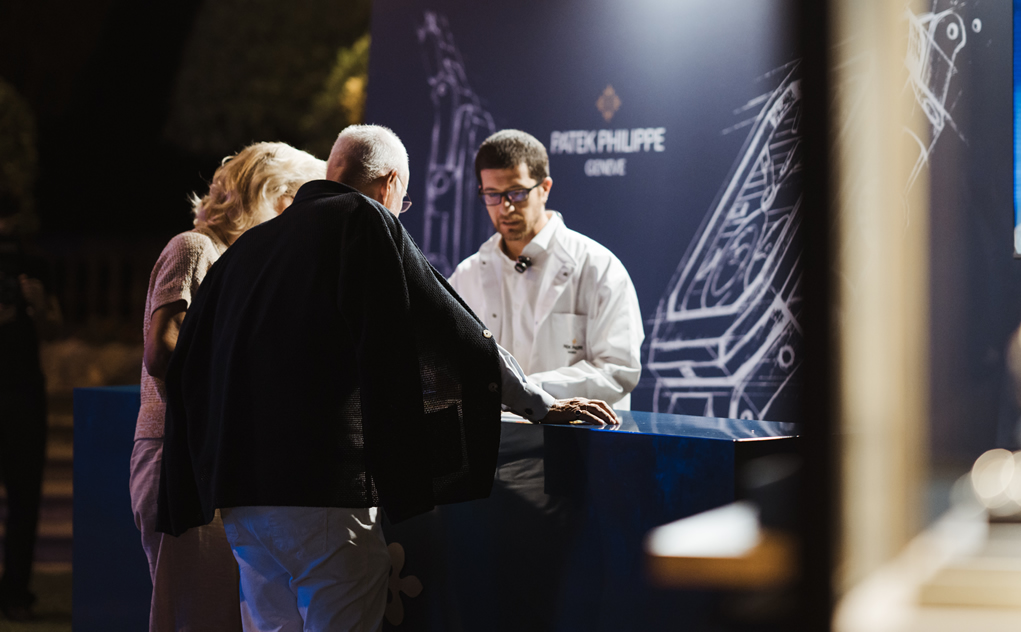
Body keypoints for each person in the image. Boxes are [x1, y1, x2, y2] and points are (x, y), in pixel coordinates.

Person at [157, 124, 616, 632]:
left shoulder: (248, 246)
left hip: (240, 497)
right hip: (324, 492)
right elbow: (450, 328)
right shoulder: (364, 219)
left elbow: (187, 363)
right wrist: (539, 403)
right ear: (390, 182)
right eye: (404, 198)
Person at [131, 142, 326, 632]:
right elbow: (163, 351)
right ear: (277, 196)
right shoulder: (197, 247)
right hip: (180, 458)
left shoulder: (248, 262)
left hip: (214, 458)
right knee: (194, 612)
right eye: (304, 199)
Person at [450, 129, 644, 410]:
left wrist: (524, 390)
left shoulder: (598, 267)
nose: (505, 208)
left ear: (544, 189)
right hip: (496, 443)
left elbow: (618, 370)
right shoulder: (466, 275)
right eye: (492, 194)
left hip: (576, 442)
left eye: (517, 193)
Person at [0, 188, 62, 621]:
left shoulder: (32, 263)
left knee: (25, 495)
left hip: (23, 388)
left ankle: (16, 592)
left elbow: (54, 329)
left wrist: (37, 305)